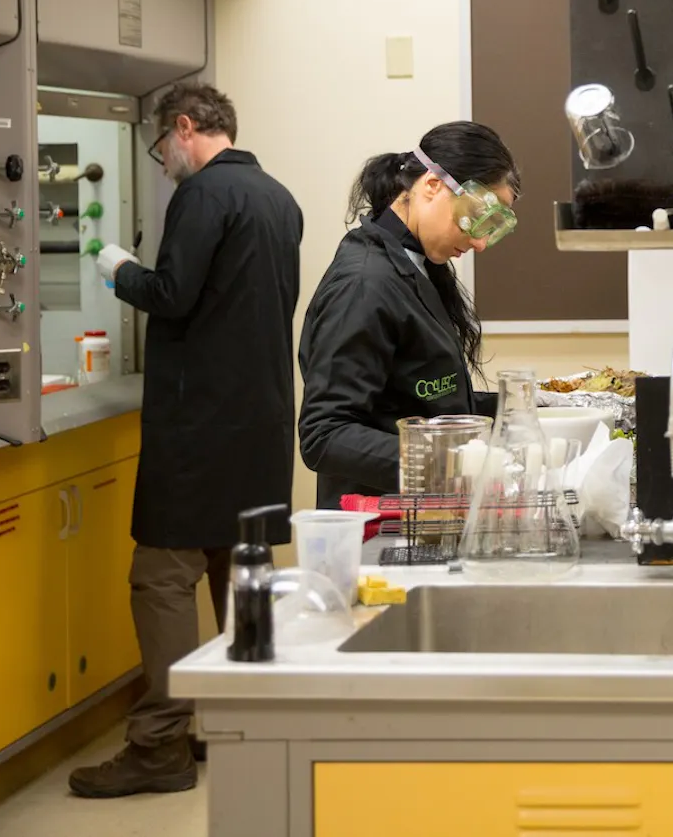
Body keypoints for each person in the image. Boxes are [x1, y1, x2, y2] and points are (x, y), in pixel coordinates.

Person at [70, 84, 302, 797]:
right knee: (240, 573)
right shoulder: (278, 196)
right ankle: (243, 728)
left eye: (161, 149)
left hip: (200, 425)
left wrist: (118, 269)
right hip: (258, 424)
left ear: (184, 128)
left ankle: (160, 743)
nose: (163, 163)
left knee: (162, 577)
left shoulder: (202, 196)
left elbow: (173, 293)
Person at [298, 121, 519, 507]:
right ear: (432, 185)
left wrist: (522, 408)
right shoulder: (365, 283)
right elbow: (324, 435)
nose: (481, 242)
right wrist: (447, 463)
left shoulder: (414, 266)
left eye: (493, 227)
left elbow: (422, 402)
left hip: (425, 509)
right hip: (380, 516)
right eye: (476, 217)